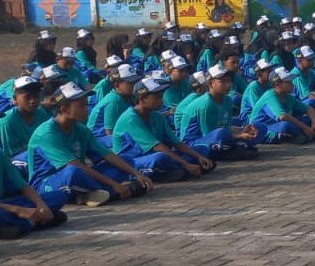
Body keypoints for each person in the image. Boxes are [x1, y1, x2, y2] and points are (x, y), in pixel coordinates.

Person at [26, 83, 155, 206]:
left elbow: (107, 155)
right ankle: (112, 191)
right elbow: (75, 166)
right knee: (73, 172)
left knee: (125, 160)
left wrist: (136, 173)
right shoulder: (47, 133)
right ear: (64, 108)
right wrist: (114, 184)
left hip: (82, 177)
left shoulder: (80, 129)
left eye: (86, 105)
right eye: (81, 106)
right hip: (46, 183)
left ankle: (92, 194)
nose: (86, 110)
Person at [112, 75, 213, 181]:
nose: (161, 100)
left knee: (199, 150)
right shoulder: (130, 119)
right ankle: (169, 172)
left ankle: (176, 170)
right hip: (131, 160)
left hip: (151, 155)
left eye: (161, 96)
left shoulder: (157, 116)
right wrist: (186, 164)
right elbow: (157, 146)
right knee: (160, 158)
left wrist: (198, 157)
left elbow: (177, 143)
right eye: (157, 97)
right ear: (142, 99)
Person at [251, 68, 315, 143]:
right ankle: (297, 135)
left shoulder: (288, 97)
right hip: (263, 128)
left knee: (307, 120)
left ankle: (302, 135)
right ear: (277, 84)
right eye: (288, 82)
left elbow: (309, 109)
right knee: (285, 125)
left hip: (277, 124)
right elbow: (282, 117)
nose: (292, 84)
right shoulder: (270, 96)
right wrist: (305, 128)